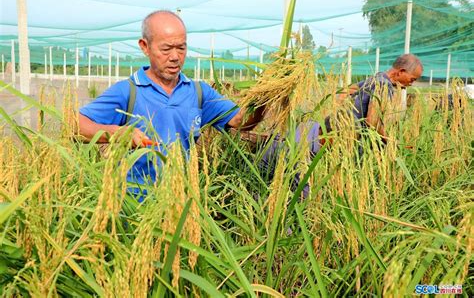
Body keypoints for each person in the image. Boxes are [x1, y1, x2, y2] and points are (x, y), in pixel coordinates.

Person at [78, 10, 265, 195]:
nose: (175, 56)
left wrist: (266, 98)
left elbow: (240, 121)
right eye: (166, 49)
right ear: (145, 46)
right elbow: (75, 125)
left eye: (181, 48)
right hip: (132, 207)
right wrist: (117, 133)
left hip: (179, 201)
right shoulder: (128, 91)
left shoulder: (199, 92)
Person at [259, 54, 423, 194]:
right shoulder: (385, 85)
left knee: (270, 175)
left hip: (314, 130)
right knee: (301, 192)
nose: (411, 83)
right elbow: (371, 122)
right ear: (401, 72)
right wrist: (390, 141)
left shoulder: (376, 77)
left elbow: (343, 93)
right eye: (412, 79)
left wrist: (340, 115)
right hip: (316, 145)